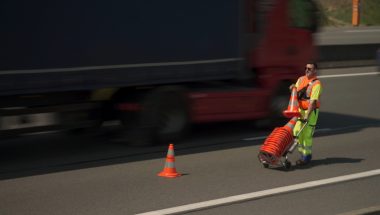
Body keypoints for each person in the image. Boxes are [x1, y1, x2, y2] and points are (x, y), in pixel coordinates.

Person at [290, 62, 322, 166]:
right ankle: (302, 153)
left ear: (315, 71)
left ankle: (306, 156)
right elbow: (296, 91)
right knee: (297, 131)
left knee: (307, 135)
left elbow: (312, 102)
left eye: (310, 69)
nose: (307, 70)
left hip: (311, 112)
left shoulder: (317, 84)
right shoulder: (300, 79)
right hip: (300, 110)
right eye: (306, 68)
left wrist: (307, 116)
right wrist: (292, 88)